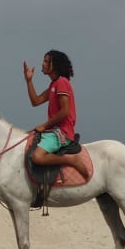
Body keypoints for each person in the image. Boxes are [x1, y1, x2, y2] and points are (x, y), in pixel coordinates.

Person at [23, 49, 89, 178]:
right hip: (53, 130)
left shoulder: (62, 82)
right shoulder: (54, 84)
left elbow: (65, 111)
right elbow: (35, 101)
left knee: (37, 156)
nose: (43, 64)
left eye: (47, 61)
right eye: (44, 61)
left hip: (61, 132)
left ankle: (71, 160)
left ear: (56, 65)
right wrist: (29, 81)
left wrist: (45, 125)